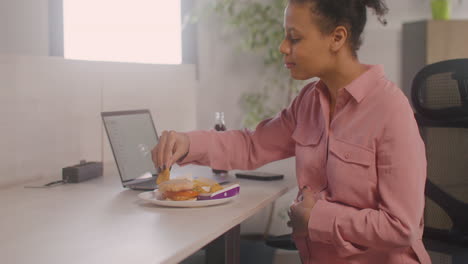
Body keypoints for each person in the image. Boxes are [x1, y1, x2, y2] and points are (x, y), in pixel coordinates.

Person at [151, 0, 431, 263]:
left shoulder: (391, 111)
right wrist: (187, 143)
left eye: (294, 38)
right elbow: (252, 146)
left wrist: (316, 219)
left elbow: (402, 226)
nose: (283, 47)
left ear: (337, 38)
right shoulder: (309, 101)